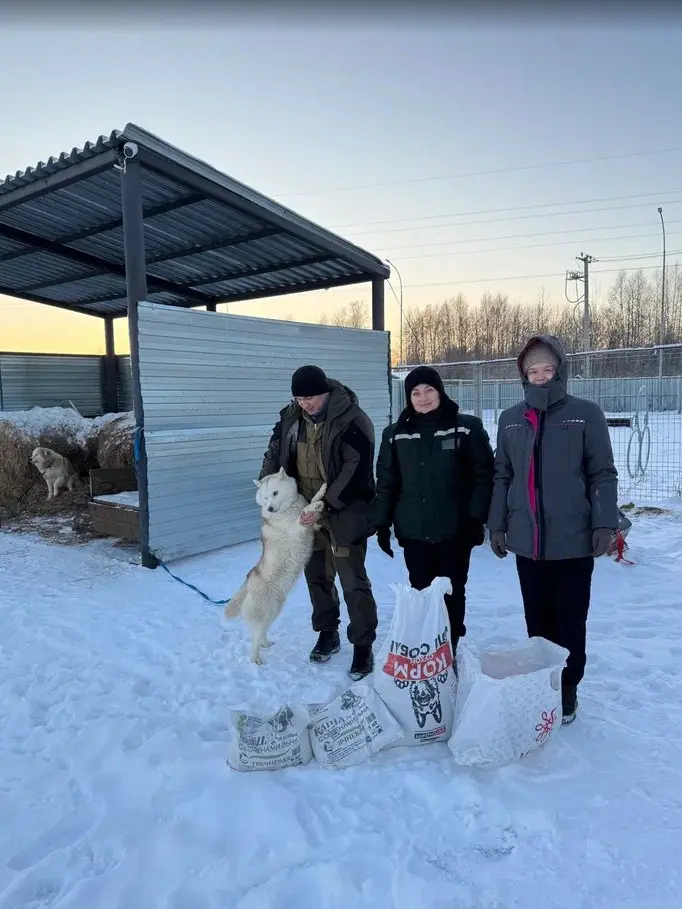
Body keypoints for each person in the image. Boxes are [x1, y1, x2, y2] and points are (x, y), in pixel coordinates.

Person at [487, 334, 619, 725]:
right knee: (537, 619)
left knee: (570, 618)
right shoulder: (511, 419)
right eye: (533, 370)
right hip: (528, 542)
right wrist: (497, 524)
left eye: (547, 369)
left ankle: (568, 687)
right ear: (523, 375)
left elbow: (602, 472)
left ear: (559, 370)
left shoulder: (585, 414)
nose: (541, 375)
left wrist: (604, 522)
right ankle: (542, 683)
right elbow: (502, 475)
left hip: (574, 541)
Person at [259, 364, 378, 680]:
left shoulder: (352, 419)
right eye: (299, 397)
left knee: (352, 581)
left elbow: (356, 470)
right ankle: (328, 633)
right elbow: (274, 453)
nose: (304, 403)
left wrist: (323, 505)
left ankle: (363, 646)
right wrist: (268, 486)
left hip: (344, 509)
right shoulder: (291, 417)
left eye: (310, 397)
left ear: (325, 392)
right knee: (316, 576)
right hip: (304, 514)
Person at [370, 366, 494, 656]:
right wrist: (380, 523)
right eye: (415, 392)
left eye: (429, 390)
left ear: (440, 392)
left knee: (452, 593)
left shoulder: (466, 427)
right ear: (408, 398)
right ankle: (428, 650)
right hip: (413, 531)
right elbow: (386, 483)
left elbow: (483, 475)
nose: (423, 397)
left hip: (455, 531)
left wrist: (475, 518)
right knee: (423, 594)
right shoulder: (395, 434)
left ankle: (449, 650)